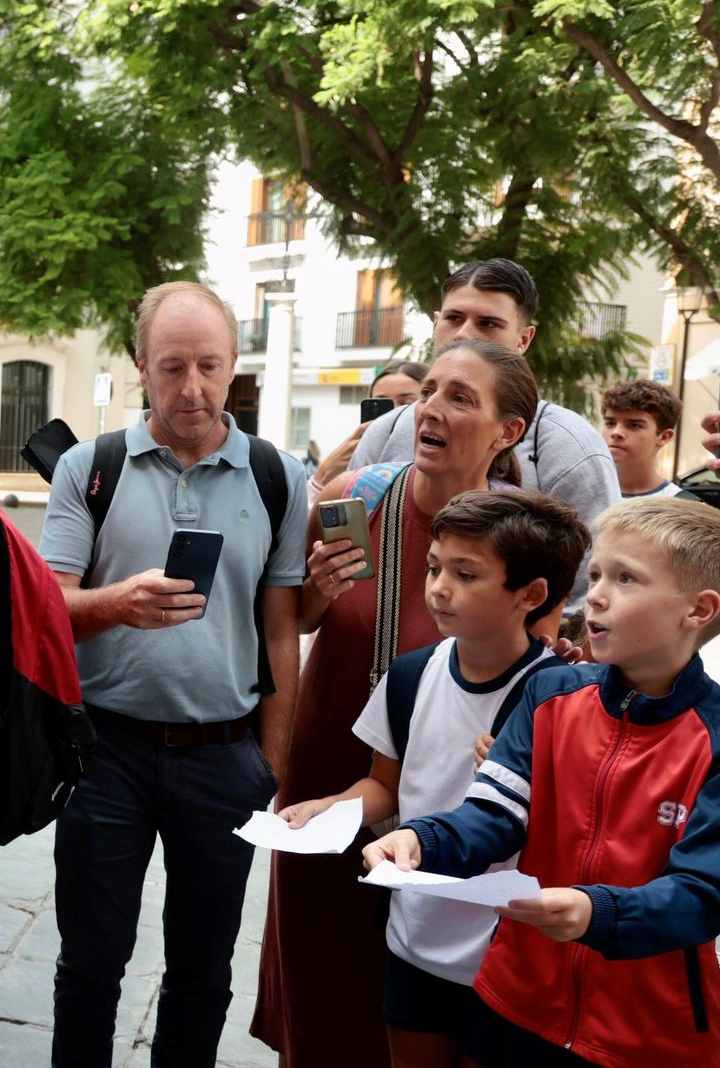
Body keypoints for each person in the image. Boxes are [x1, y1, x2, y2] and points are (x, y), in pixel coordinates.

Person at [38, 281, 307, 1068]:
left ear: (234, 366)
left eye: (210, 367)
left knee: (203, 969)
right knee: (89, 962)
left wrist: (274, 762)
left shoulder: (276, 474)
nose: (192, 388)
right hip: (106, 753)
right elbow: (46, 605)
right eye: (172, 367)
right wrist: (117, 602)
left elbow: (280, 625)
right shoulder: (93, 468)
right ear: (140, 368)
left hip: (225, 757)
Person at [252, 339, 539, 1067]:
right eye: (429, 389)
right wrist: (315, 589)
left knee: (419, 986)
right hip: (330, 765)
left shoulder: (529, 538)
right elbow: (299, 620)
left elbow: (535, 672)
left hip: (448, 785)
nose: (430, 408)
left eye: (459, 397)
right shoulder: (359, 494)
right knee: (321, 978)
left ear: (508, 432)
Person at [365, 498, 720, 1068]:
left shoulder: (713, 737)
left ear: (698, 610)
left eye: (626, 579)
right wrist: (422, 840)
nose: (597, 594)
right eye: (598, 573)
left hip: (644, 1029)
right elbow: (494, 814)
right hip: (514, 999)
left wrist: (594, 912)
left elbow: (704, 894)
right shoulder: (550, 694)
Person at [279, 490, 588, 1068]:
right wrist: (330, 808)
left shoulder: (565, 694)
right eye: (433, 567)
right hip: (417, 935)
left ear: (533, 594)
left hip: (509, 949)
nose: (439, 587)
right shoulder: (412, 674)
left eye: (466, 574)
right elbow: (387, 786)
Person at [348, 259, 616, 613]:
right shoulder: (388, 432)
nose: (464, 334)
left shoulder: (569, 445)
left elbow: (590, 589)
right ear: (435, 324)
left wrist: (541, 655)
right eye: (454, 318)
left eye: (488, 323)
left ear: (523, 339)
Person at [311, 360, 430, 492]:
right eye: (380, 403)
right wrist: (324, 475)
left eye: (406, 404)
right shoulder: (351, 462)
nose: (394, 414)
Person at [601, 378, 683, 498]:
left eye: (634, 425)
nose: (616, 432)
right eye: (610, 423)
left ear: (664, 437)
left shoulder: (680, 506)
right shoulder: (580, 494)